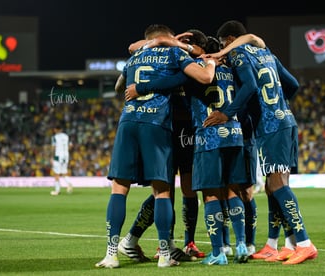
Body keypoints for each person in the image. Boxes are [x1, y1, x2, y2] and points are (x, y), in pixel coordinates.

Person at [95, 24, 216, 269]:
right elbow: (204, 77)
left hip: (128, 121)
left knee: (119, 187)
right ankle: (164, 254)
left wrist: (141, 83)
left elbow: (119, 87)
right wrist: (206, 63)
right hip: (158, 123)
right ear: (169, 38)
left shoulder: (136, 55)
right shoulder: (175, 53)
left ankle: (111, 254)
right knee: (163, 190)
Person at [203, 20, 318, 265]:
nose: (223, 50)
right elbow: (293, 85)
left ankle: (304, 243)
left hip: (270, 126)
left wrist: (227, 112)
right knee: (273, 186)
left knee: (277, 185)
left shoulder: (237, 53)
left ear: (230, 39)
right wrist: (276, 103)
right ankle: (278, 245)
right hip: (286, 119)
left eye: (224, 44)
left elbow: (251, 86)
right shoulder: (267, 54)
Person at [118, 29, 207, 262]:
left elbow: (194, 57)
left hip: (185, 127)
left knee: (187, 187)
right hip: (164, 125)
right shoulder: (166, 56)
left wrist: (176, 43)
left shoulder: (190, 58)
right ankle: (150, 241)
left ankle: (186, 243)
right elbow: (133, 46)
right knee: (163, 189)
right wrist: (169, 41)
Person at [50, 122, 73, 196]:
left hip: (58, 156)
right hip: (66, 156)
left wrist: (51, 157)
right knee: (64, 172)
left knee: (56, 173)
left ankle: (57, 191)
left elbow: (53, 147)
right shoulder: (66, 136)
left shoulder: (54, 137)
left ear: (55, 129)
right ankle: (69, 183)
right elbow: (71, 145)